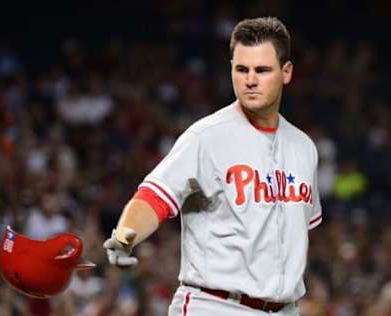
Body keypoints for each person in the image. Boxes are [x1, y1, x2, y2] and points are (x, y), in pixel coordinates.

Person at [104, 16, 323, 315]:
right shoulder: (206, 137)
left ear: (286, 72)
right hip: (215, 305)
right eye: (241, 69)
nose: (250, 80)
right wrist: (124, 235)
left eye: (262, 70)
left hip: (285, 310)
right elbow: (154, 197)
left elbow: (296, 236)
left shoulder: (304, 149)